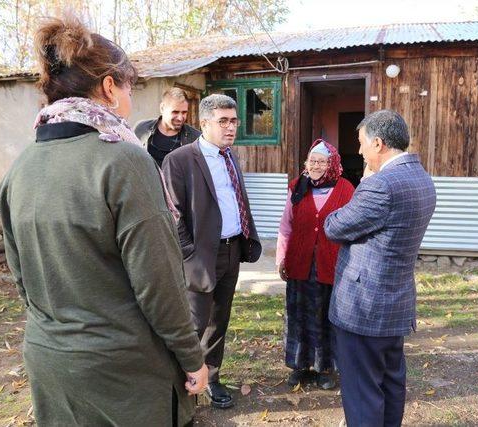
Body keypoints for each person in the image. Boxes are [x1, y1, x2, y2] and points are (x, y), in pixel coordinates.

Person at [0, 15, 207, 427]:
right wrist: (191, 356)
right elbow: (159, 283)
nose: (132, 98)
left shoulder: (20, 167)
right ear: (110, 87)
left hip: (50, 364)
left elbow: (21, 277)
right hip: (124, 377)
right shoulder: (123, 160)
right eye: (131, 86)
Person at [324, 110, 436, 427]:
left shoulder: (380, 185)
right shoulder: (422, 178)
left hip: (363, 307)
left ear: (378, 143)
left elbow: (334, 227)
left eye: (361, 144)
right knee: (390, 384)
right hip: (396, 301)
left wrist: (363, 187)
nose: (359, 151)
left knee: (362, 393)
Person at [162, 93, 262, 409]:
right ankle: (179, 386)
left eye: (234, 121)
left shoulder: (230, 156)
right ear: (204, 123)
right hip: (199, 256)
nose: (231, 127)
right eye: (223, 121)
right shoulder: (179, 160)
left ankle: (212, 378)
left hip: (232, 250)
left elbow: (236, 201)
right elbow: (172, 213)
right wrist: (189, 254)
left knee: (219, 320)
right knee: (193, 324)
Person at [276, 139, 355, 389]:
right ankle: (300, 366)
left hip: (331, 266)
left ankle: (326, 369)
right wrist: (281, 258)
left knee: (326, 317)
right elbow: (286, 226)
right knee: (299, 314)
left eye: (322, 161)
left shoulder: (346, 189)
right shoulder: (297, 187)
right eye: (312, 161)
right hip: (300, 264)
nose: (316, 166)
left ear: (331, 163)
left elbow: (353, 228)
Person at [134, 87, 201, 167]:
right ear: (162, 108)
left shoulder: (195, 138)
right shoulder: (142, 129)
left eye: (184, 112)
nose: (180, 118)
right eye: (175, 112)